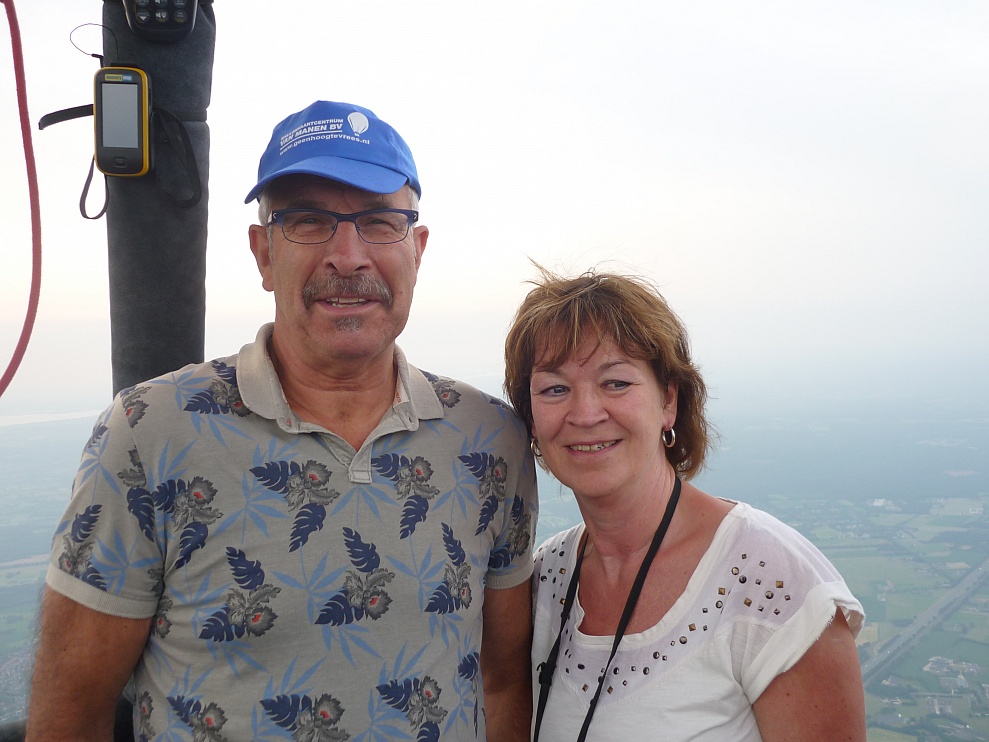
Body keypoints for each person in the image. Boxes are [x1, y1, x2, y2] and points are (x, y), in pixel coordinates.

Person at [27, 100, 537, 742]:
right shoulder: (149, 431)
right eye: (308, 222)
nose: (347, 256)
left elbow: (501, 681)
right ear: (263, 253)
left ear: (418, 248)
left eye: (380, 222)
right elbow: (71, 712)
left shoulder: (489, 438)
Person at [503, 267, 866, 741]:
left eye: (616, 383)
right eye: (555, 389)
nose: (585, 413)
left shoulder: (772, 581)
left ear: (668, 401)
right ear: (532, 421)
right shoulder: (542, 580)